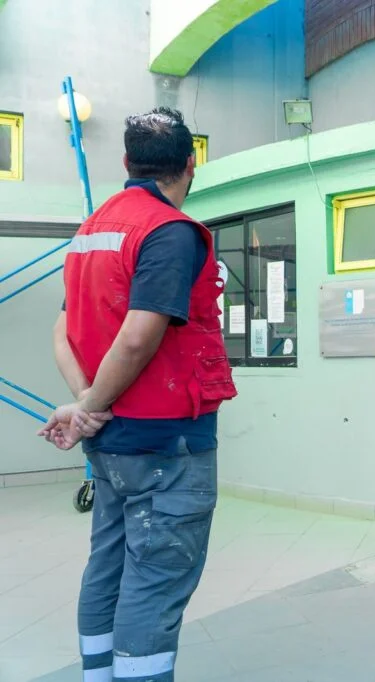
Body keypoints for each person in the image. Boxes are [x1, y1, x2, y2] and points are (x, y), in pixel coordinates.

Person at [38, 107, 236, 681]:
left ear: (127, 162)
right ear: (191, 163)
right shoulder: (167, 231)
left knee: (108, 565)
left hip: (113, 447)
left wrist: (84, 407)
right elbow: (137, 338)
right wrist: (90, 408)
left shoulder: (90, 232)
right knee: (156, 577)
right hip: (166, 446)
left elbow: (62, 331)